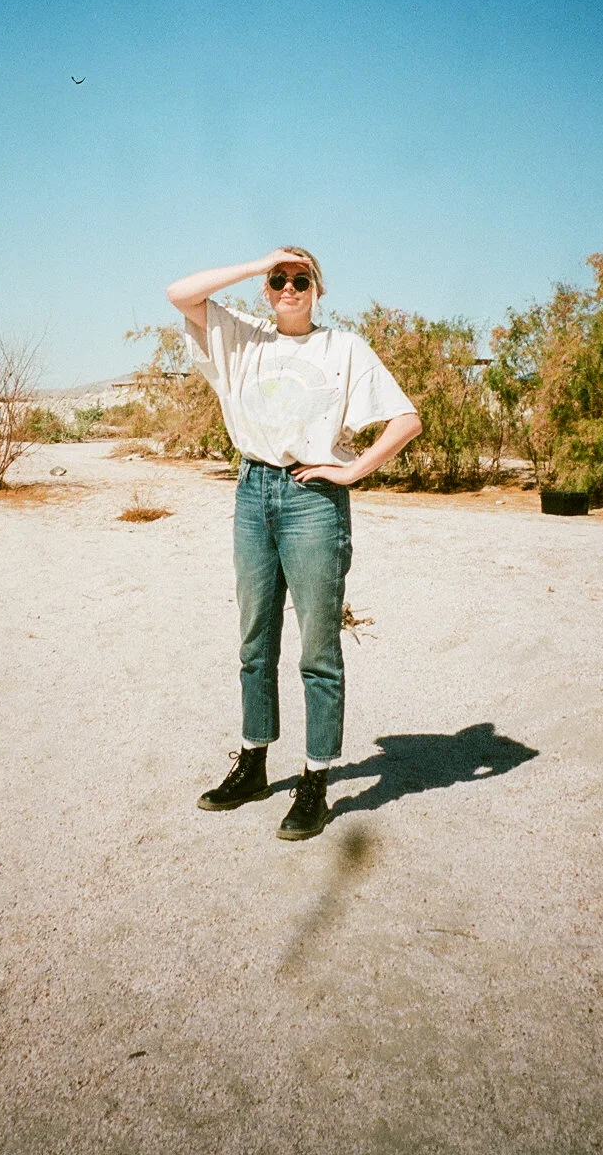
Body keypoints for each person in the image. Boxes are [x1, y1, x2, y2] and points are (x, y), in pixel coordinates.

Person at [166, 247, 422, 840]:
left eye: (300, 279)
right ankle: (253, 763)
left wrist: (351, 471)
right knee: (255, 639)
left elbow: (406, 420)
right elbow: (180, 293)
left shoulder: (344, 348)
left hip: (313, 501)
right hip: (252, 492)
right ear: (266, 287)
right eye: (278, 279)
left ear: (317, 290)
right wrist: (258, 262)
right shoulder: (240, 337)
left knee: (318, 649)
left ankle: (315, 778)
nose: (288, 287)